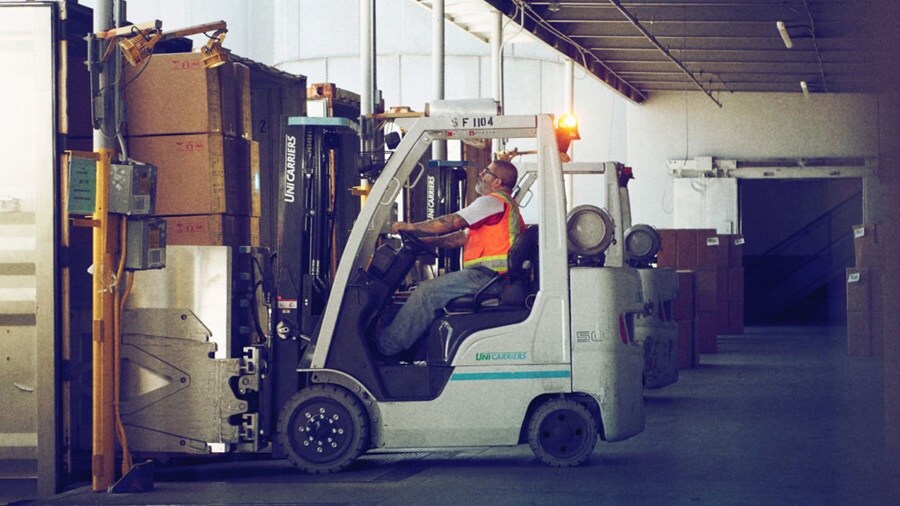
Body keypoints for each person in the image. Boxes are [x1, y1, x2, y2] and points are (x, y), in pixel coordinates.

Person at [376, 159, 525, 357]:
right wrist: (429, 242)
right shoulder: (502, 207)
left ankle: (385, 348)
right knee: (429, 292)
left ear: (497, 182)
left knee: (426, 292)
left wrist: (411, 227)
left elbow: (453, 221)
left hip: (488, 278)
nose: (481, 174)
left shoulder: (492, 201)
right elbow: (460, 237)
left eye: (486, 171)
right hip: (492, 277)